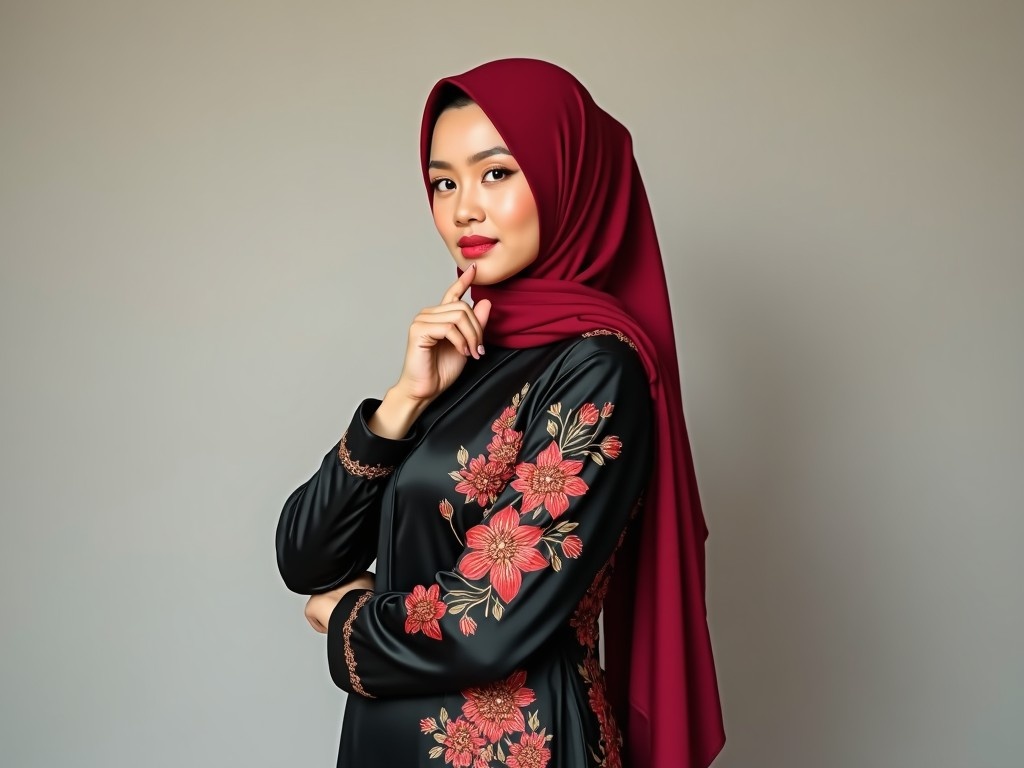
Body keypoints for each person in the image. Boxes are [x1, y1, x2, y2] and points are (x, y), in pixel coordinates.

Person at [276, 58, 725, 768]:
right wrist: (403, 401)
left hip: (524, 747)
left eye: (496, 173)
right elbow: (306, 555)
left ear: (565, 178)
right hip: (387, 744)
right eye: (443, 182)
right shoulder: (464, 349)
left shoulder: (598, 371)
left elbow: (488, 621)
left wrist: (347, 622)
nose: (463, 210)